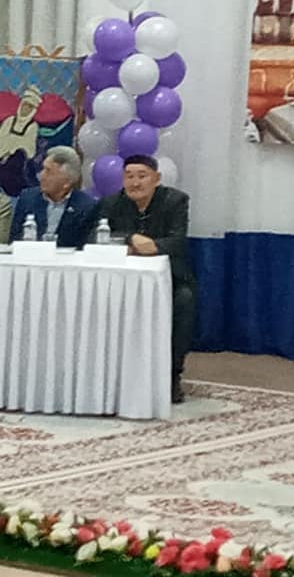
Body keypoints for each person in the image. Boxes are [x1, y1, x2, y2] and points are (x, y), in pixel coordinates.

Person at [97, 154, 196, 404]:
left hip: (169, 279)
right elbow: (94, 236)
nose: (135, 183)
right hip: (120, 280)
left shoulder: (175, 200)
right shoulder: (111, 203)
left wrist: (152, 246)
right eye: (129, 176)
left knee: (184, 301)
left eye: (142, 176)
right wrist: (130, 239)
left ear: (156, 179)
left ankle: (172, 375)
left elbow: (177, 241)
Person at [9, 145, 98, 248]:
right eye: (43, 169)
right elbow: (14, 239)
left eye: (48, 171)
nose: (41, 175)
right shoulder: (27, 198)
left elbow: (84, 247)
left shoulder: (86, 207)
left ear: (67, 182)